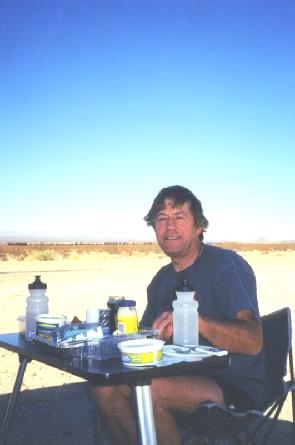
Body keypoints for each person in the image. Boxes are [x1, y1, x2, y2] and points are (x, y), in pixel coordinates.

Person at [93, 185, 270, 445]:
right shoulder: (160, 281)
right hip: (178, 375)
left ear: (199, 226)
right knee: (104, 388)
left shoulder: (225, 266)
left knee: (148, 390)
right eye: (161, 219)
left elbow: (253, 341)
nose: (169, 227)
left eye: (179, 217)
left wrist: (195, 320)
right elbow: (147, 337)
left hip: (234, 383)